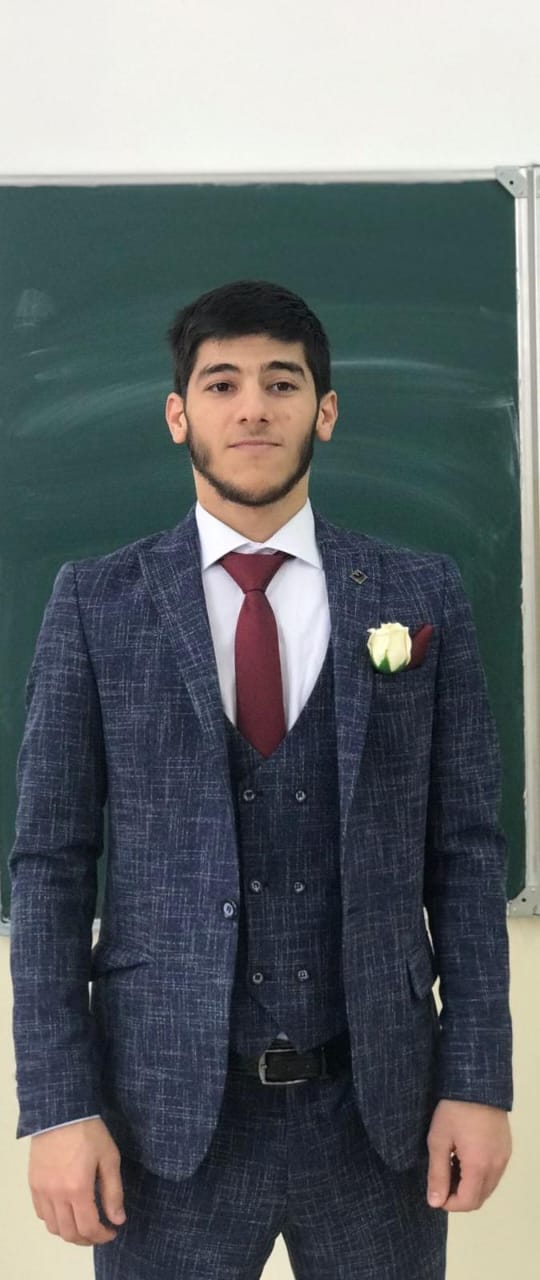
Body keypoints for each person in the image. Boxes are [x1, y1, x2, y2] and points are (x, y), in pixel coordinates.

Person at [9, 279, 512, 1279]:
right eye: (222, 383)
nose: (253, 408)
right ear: (178, 414)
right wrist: (60, 1104)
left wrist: (478, 1080)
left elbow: (466, 854)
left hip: (379, 1116)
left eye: (282, 383)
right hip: (164, 1120)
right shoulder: (96, 604)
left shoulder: (422, 594)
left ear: (324, 410)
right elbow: (51, 864)